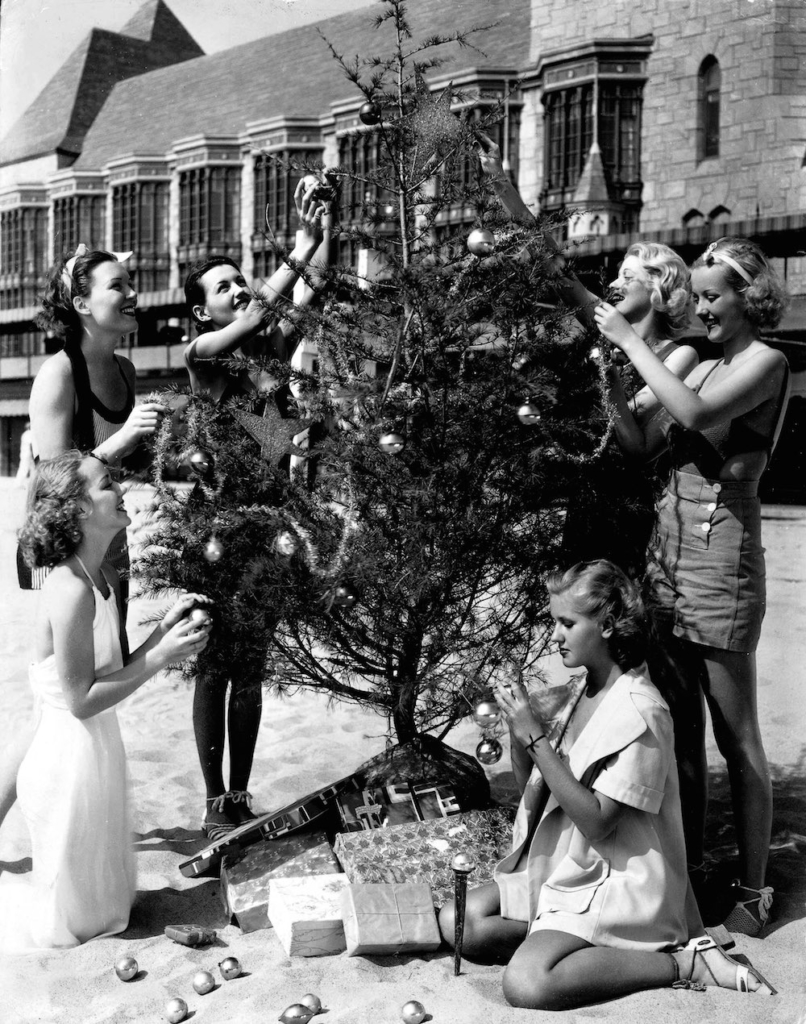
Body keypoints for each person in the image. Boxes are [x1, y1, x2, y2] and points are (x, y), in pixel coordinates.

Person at [437, 561, 775, 1009]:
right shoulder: (581, 692)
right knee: (460, 921)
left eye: (567, 623)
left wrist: (535, 739)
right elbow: (540, 795)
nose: (555, 635)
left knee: (527, 983)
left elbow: (598, 823)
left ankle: (684, 963)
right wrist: (523, 743)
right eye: (553, 621)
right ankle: (571, 942)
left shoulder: (642, 711)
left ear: (609, 626)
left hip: (618, 882)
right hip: (570, 864)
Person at [593, 237, 790, 935]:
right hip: (667, 557)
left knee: (738, 737)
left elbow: (699, 417)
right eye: (698, 295)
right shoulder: (701, 363)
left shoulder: (768, 361)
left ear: (748, 299)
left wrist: (630, 341)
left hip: (721, 559)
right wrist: (619, 392)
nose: (699, 308)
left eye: (712, 297)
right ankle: (691, 864)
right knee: (680, 728)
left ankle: (753, 886)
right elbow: (643, 447)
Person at [4, 451, 211, 949]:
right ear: (77, 509)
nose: (120, 490)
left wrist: (163, 631)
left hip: (98, 749)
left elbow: (111, 672)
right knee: (66, 921)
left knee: (106, 907)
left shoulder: (105, 579)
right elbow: (80, 701)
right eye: (105, 484)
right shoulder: (69, 587)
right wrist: (162, 655)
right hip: (65, 761)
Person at [181, 177, 330, 840]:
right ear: (201, 313)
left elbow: (306, 300)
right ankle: (214, 800)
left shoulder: (267, 355)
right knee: (217, 664)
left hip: (270, 524)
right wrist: (296, 249)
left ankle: (240, 794)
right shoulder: (202, 356)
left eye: (240, 279)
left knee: (253, 669)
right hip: (217, 528)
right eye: (223, 288)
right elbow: (263, 313)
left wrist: (321, 234)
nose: (238, 290)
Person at [0, 246, 166, 836]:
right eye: (118, 285)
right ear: (82, 303)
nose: (133, 295)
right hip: (58, 552)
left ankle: (79, 815)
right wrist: (121, 442)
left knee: (98, 677)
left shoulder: (121, 369)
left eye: (132, 282)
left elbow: (131, 466)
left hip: (105, 544)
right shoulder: (57, 374)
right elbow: (54, 487)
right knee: (60, 694)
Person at [476, 134, 698, 572]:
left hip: (633, 506)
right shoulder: (605, 327)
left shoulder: (681, 355)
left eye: (627, 276)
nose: (613, 284)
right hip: (586, 492)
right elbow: (554, 262)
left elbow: (636, 435)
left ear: (657, 290)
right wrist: (501, 183)